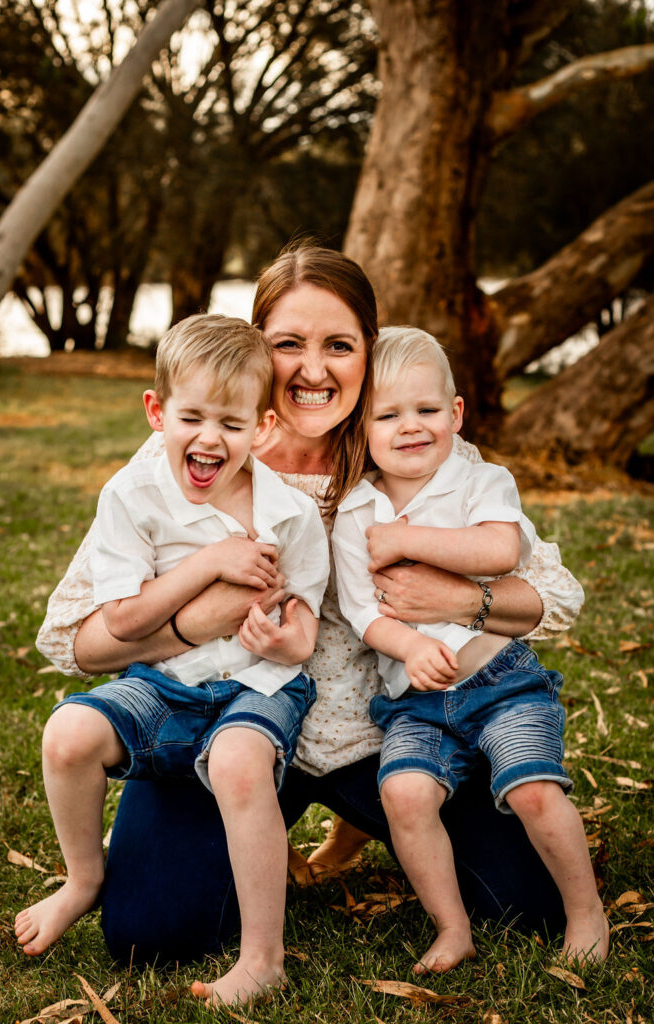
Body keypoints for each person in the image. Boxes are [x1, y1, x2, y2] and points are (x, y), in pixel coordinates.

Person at [34, 244, 585, 986]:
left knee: (529, 907)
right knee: (149, 934)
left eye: (339, 345)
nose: (313, 370)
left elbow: (549, 597)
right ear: (256, 347)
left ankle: (362, 826)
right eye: (287, 344)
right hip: (228, 715)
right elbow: (81, 643)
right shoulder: (192, 455)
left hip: (386, 733)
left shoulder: (408, 444)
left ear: (370, 350)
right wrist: (204, 615)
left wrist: (459, 598)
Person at [17, 314, 329, 1005]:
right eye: (192, 416)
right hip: (163, 680)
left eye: (232, 422)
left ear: (263, 428)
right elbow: (124, 622)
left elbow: (304, 617)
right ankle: (83, 878)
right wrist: (212, 564)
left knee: (237, 763)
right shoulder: (131, 496)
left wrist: (287, 642)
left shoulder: (289, 516)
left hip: (258, 681)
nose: (210, 438)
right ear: (157, 412)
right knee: (67, 735)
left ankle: (261, 958)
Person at [332, 326, 608, 973]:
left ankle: (585, 912)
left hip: (499, 683)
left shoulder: (478, 479)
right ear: (361, 429)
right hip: (415, 702)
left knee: (533, 790)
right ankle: (450, 927)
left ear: (455, 413)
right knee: (403, 794)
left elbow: (499, 552)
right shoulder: (355, 509)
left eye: (426, 410)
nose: (410, 427)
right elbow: (360, 611)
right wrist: (407, 643)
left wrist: (406, 543)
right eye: (388, 414)